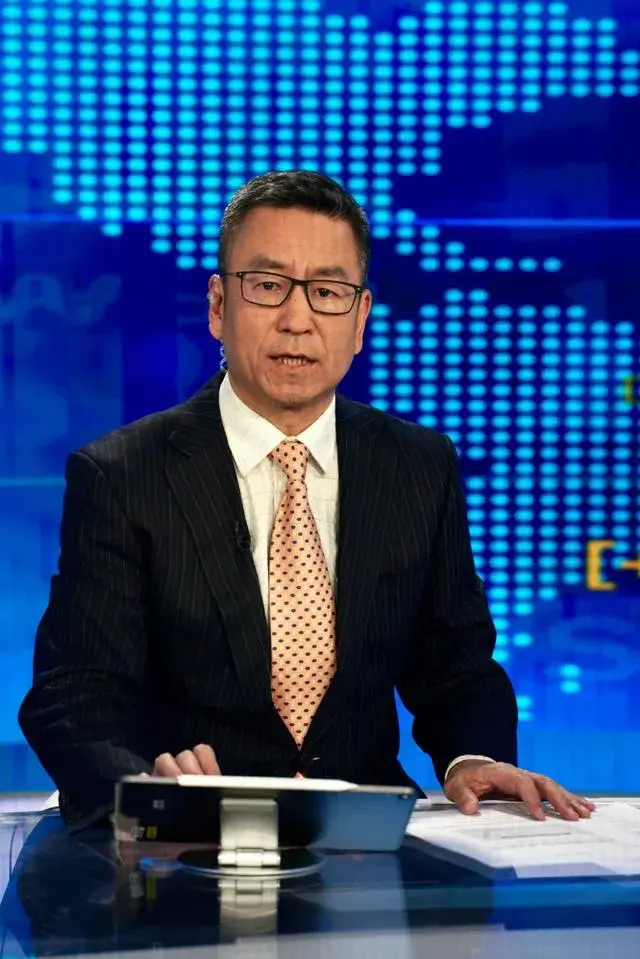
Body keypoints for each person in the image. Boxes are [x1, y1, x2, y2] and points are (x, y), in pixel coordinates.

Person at [19, 170, 595, 831]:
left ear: (360, 318)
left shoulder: (418, 465)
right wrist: (144, 789)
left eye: (327, 292)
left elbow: (456, 668)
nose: (297, 320)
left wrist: (473, 757)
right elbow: (75, 694)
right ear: (218, 306)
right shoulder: (123, 475)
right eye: (268, 286)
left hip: (367, 839)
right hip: (185, 843)